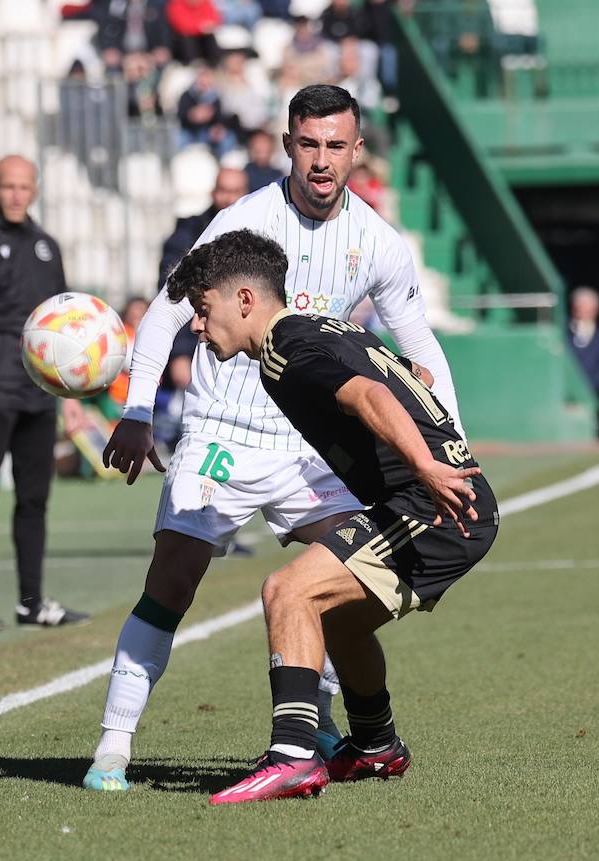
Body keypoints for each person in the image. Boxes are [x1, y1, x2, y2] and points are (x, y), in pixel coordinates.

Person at [82, 85, 465, 792]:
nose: (322, 161)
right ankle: (113, 745)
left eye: (336, 146)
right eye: (309, 144)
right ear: (289, 145)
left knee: (337, 584)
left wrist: (453, 451)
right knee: (171, 582)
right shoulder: (242, 223)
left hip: (314, 448)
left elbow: (423, 350)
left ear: (357, 151)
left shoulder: (378, 241)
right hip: (223, 431)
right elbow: (169, 314)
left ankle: (328, 726)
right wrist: (136, 411)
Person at [165, 227, 497, 803]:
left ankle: (292, 755)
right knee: (337, 619)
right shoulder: (322, 325)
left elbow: (371, 396)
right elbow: (403, 376)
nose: (196, 326)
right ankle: (375, 745)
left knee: (288, 593)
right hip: (440, 499)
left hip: (436, 504)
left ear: (244, 300)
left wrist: (425, 464)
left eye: (202, 308)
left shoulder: (285, 351)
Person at [0, 155, 89, 631]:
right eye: (8, 186)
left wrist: (67, 398)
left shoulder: (47, 246)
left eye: (25, 186)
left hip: (37, 394)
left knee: (34, 500)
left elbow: (65, 327)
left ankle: (31, 602)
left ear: (36, 190)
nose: (17, 195)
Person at [159, 166, 249, 287]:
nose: (229, 198)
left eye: (235, 192)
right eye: (223, 190)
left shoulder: (258, 228)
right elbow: (168, 279)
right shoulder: (189, 231)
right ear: (213, 192)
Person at [176, 66, 238, 158]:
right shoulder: (187, 95)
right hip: (189, 131)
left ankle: (222, 162)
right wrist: (192, 116)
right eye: (202, 78)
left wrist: (217, 128)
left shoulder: (217, 97)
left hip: (208, 131)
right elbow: (181, 115)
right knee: (177, 139)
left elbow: (222, 118)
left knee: (228, 138)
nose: (205, 81)